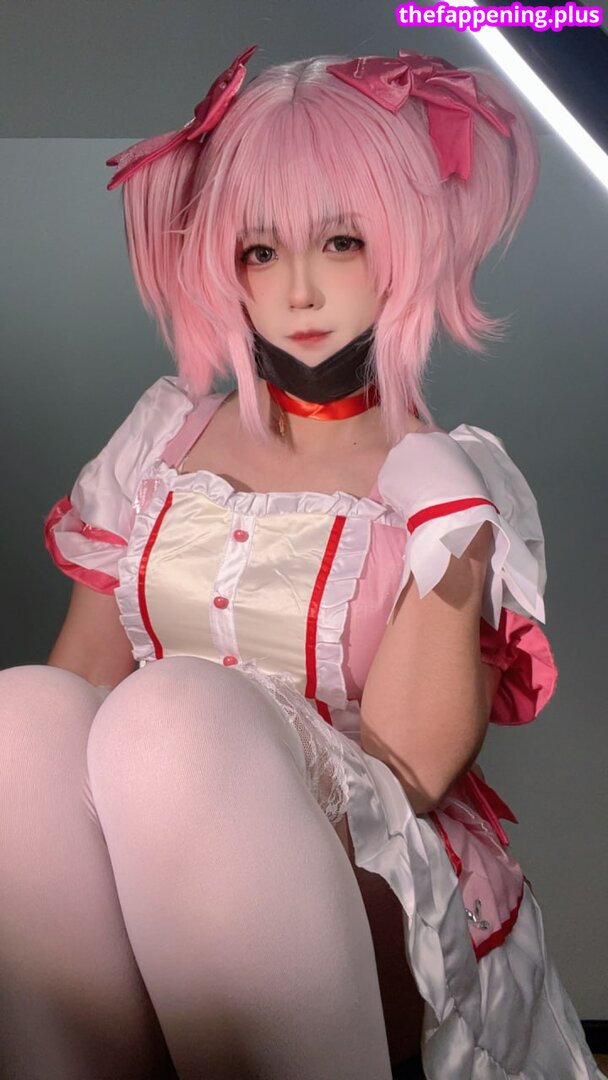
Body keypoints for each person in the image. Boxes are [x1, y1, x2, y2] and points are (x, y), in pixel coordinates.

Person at [0, 45, 600, 1080]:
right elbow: (75, 691)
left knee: (169, 717)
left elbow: (413, 773)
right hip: (149, 848)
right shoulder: (161, 441)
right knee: (19, 717)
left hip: (369, 870)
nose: (302, 288)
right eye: (261, 251)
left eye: (341, 241)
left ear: (401, 243)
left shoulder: (447, 478)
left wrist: (451, 533)